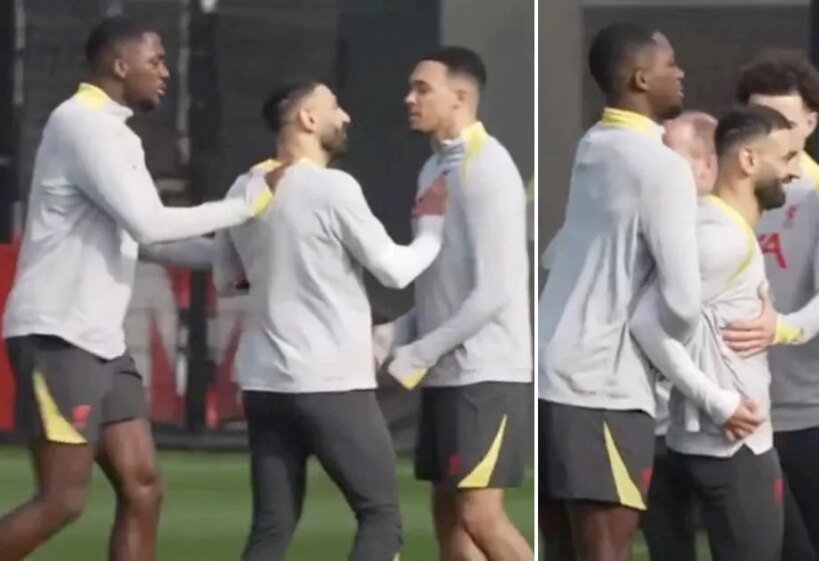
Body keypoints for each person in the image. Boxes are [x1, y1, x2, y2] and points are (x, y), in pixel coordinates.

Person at [0, 16, 271, 561]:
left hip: (102, 343)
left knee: (143, 485)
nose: (166, 73)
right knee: (62, 500)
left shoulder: (117, 133)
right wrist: (244, 206)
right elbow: (150, 224)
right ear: (120, 66)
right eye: (156, 61)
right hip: (59, 336)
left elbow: (147, 240)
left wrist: (239, 263)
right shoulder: (81, 124)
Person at [211, 80, 447, 561]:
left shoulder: (245, 186)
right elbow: (394, 270)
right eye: (335, 107)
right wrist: (433, 228)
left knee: (271, 528)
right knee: (381, 519)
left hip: (264, 385)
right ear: (307, 119)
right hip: (331, 383)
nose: (346, 117)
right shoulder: (333, 187)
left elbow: (225, 279)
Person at [537, 22, 701, 561]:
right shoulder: (661, 166)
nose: (680, 73)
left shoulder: (595, 144)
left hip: (554, 373)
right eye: (669, 63)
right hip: (603, 382)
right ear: (639, 79)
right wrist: (665, 351)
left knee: (565, 547)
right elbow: (683, 303)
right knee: (607, 549)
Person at [373, 47, 533, 561]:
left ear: (461, 97)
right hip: (447, 375)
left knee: (479, 515)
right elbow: (442, 291)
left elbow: (495, 291)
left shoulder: (489, 167)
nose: (409, 98)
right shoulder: (431, 171)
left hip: (487, 374)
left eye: (423, 89)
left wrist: (418, 354)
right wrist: (391, 337)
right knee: (449, 516)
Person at [630, 104, 801, 561]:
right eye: (786, 158)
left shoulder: (719, 227)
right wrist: (717, 401)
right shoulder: (718, 237)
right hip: (728, 448)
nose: (795, 171)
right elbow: (646, 322)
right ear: (748, 160)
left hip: (717, 443)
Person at [730, 49, 819, 561]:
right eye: (759, 119)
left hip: (809, 415)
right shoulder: (721, 198)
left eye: (785, 122)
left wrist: (779, 329)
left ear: (810, 123)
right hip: (738, 418)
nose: (772, 133)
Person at [638, 110, 718, 561]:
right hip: (656, 429)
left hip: (720, 433)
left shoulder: (730, 233)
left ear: (707, 166)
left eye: (672, 161)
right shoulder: (645, 228)